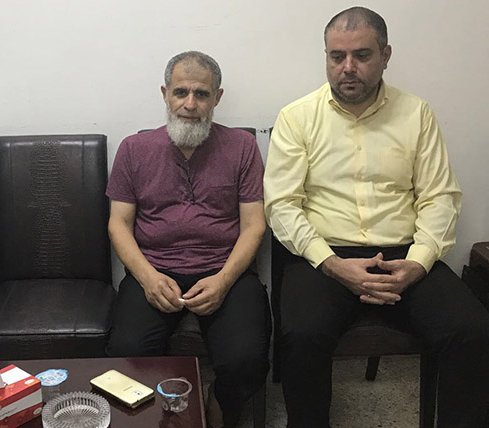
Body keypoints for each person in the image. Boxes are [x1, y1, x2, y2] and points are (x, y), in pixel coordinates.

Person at [264, 7, 489, 427]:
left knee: (472, 330)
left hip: (403, 254)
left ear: (386, 55)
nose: (348, 68)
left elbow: (439, 197)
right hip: (325, 256)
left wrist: (418, 263)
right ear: (326, 57)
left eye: (362, 55)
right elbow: (282, 205)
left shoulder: (416, 113)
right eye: (337, 56)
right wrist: (332, 264)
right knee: (301, 335)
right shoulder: (297, 117)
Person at [105, 51, 270, 428]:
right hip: (155, 270)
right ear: (165, 94)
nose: (190, 104)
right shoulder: (133, 149)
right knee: (126, 352)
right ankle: (158, 415)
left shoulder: (242, 146)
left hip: (225, 270)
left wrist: (223, 281)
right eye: (181, 92)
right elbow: (118, 224)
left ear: (217, 97)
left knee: (247, 359)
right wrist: (148, 278)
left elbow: (254, 226)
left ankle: (217, 405)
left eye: (201, 94)